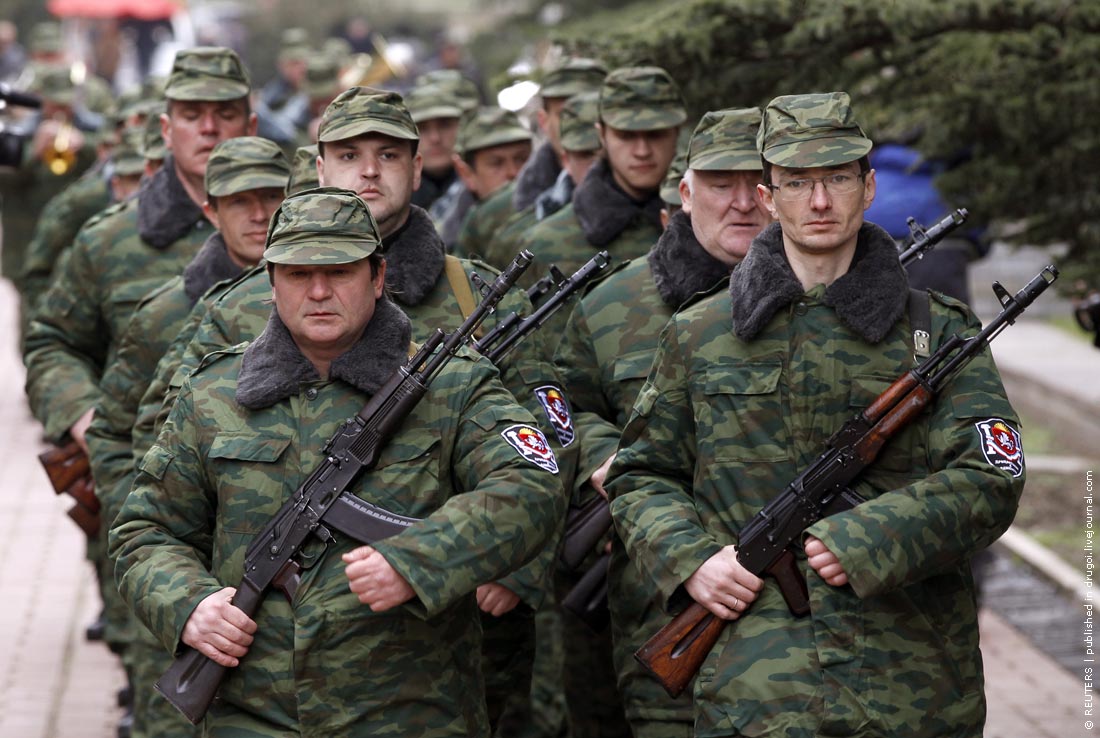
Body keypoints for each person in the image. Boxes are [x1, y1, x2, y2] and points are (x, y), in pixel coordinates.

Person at [130, 88, 575, 731]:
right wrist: (189, 605)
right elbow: (148, 523)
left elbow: (537, 468)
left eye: (339, 272)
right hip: (254, 708)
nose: (318, 291)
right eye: (297, 273)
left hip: (410, 706)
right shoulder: (214, 386)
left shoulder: (454, 373)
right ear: (270, 282)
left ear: (377, 277)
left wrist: (426, 559)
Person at [606, 91, 1026, 736]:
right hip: (755, 693)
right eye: (798, 183)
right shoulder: (700, 333)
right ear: (769, 198)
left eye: (837, 179)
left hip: (912, 687)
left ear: (869, 188)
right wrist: (691, 559)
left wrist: (864, 537)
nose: (820, 201)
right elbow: (643, 473)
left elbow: (991, 475)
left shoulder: (937, 332)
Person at [22, 47, 257, 727]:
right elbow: (53, 340)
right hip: (156, 510)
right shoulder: (112, 241)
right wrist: (84, 417)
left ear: (251, 121)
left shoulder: (301, 228)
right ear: (165, 127)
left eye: (225, 114)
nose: (209, 128)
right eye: (192, 114)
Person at [555, 107, 771, 738]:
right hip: (663, 600)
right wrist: (605, 455)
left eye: (757, 184)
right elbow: (557, 408)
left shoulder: (821, 303)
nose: (741, 203)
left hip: (798, 608)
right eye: (720, 184)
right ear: (685, 193)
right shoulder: (610, 304)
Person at [85, 136, 290, 738]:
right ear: (210, 209)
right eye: (240, 201)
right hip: (196, 585)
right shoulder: (170, 313)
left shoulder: (339, 312)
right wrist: (166, 554)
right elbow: (117, 432)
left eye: (272, 197)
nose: (259, 214)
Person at [514, 65, 686, 344]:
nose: (642, 151)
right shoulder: (545, 245)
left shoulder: (716, 229)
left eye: (655, 134)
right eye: (626, 135)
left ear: (677, 132)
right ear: (602, 134)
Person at [477, 90, 602, 271]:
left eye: (603, 153)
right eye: (586, 155)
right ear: (566, 159)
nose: (597, 165)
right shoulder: (521, 239)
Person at [511, 57, 607, 213]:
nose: (581, 122)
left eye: (592, 110)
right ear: (543, 121)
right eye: (567, 114)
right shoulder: (528, 199)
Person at [445, 106, 533, 255]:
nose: (513, 172)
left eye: (521, 159)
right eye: (496, 163)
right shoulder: (448, 242)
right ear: (466, 173)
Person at [405, 80, 464, 210]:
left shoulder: (486, 182)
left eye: (445, 125)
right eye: (422, 128)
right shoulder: (396, 198)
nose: (435, 138)